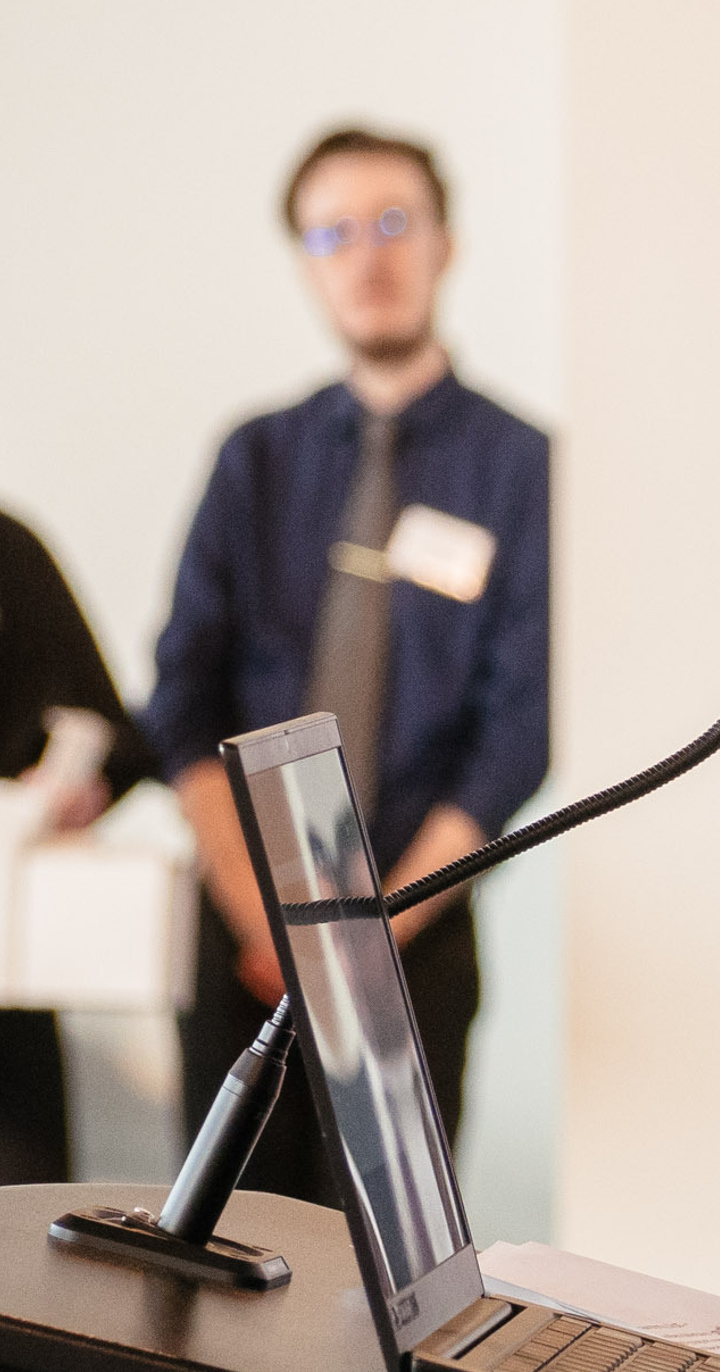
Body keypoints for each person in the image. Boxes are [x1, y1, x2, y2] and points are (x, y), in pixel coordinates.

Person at [144, 129, 549, 1204]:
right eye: (333, 232)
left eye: (391, 223)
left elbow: (517, 736)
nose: (365, 256)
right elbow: (179, 701)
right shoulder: (255, 459)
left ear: (443, 244)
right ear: (307, 264)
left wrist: (367, 931)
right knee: (217, 1270)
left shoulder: (522, 467)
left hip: (414, 936)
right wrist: (267, 917)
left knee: (379, 1292)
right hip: (242, 941)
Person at [0, 509, 158, 1372]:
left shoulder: (6, 551)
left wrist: (54, 792)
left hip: (3, 1023)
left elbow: (106, 729)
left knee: (35, 1329)